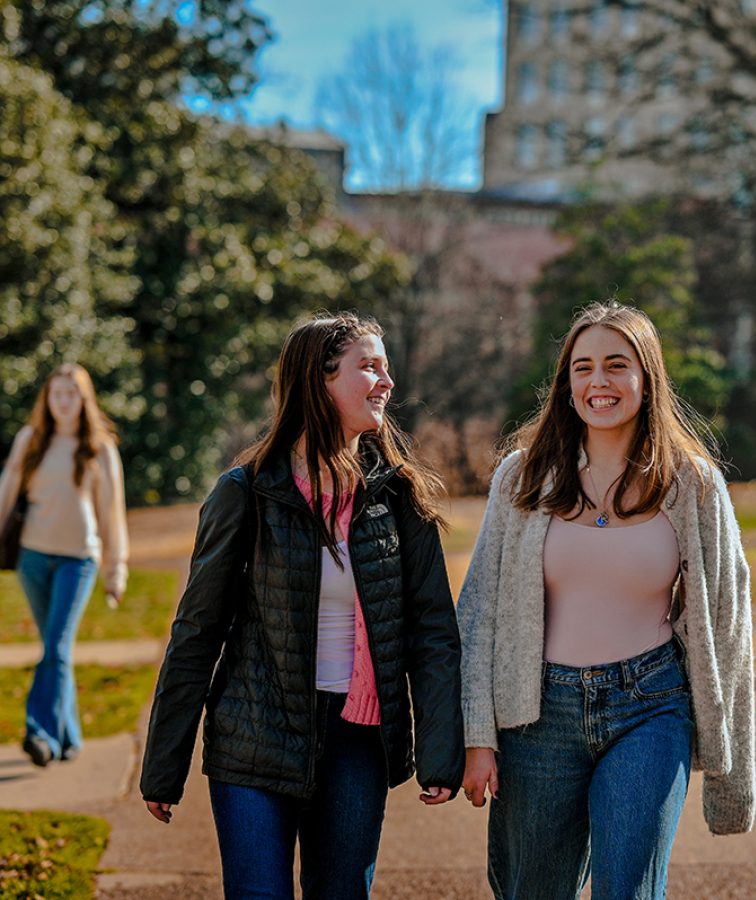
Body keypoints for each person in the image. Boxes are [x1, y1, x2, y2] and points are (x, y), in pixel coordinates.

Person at [139, 312, 464, 899]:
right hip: (254, 737)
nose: (387, 382)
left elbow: (432, 631)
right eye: (369, 366)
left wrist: (440, 752)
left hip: (357, 742)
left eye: (386, 367)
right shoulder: (246, 492)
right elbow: (197, 632)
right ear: (319, 380)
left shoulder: (399, 496)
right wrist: (165, 762)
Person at [457, 301, 756, 900]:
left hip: (650, 707)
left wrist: (732, 778)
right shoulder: (521, 477)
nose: (600, 382)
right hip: (537, 715)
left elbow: (726, 623)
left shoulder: (693, 483)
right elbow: (480, 610)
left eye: (617, 365)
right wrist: (476, 733)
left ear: (647, 379)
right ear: (567, 386)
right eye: (583, 368)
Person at [0, 364, 128, 767]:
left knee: (56, 645)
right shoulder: (31, 440)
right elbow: (6, 492)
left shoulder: (99, 446)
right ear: (47, 399)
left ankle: (40, 733)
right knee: (57, 650)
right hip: (33, 557)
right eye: (56, 393)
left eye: (71, 393)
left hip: (79, 561)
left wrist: (116, 568)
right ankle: (69, 735)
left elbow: (112, 512)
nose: (63, 401)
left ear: (84, 399)